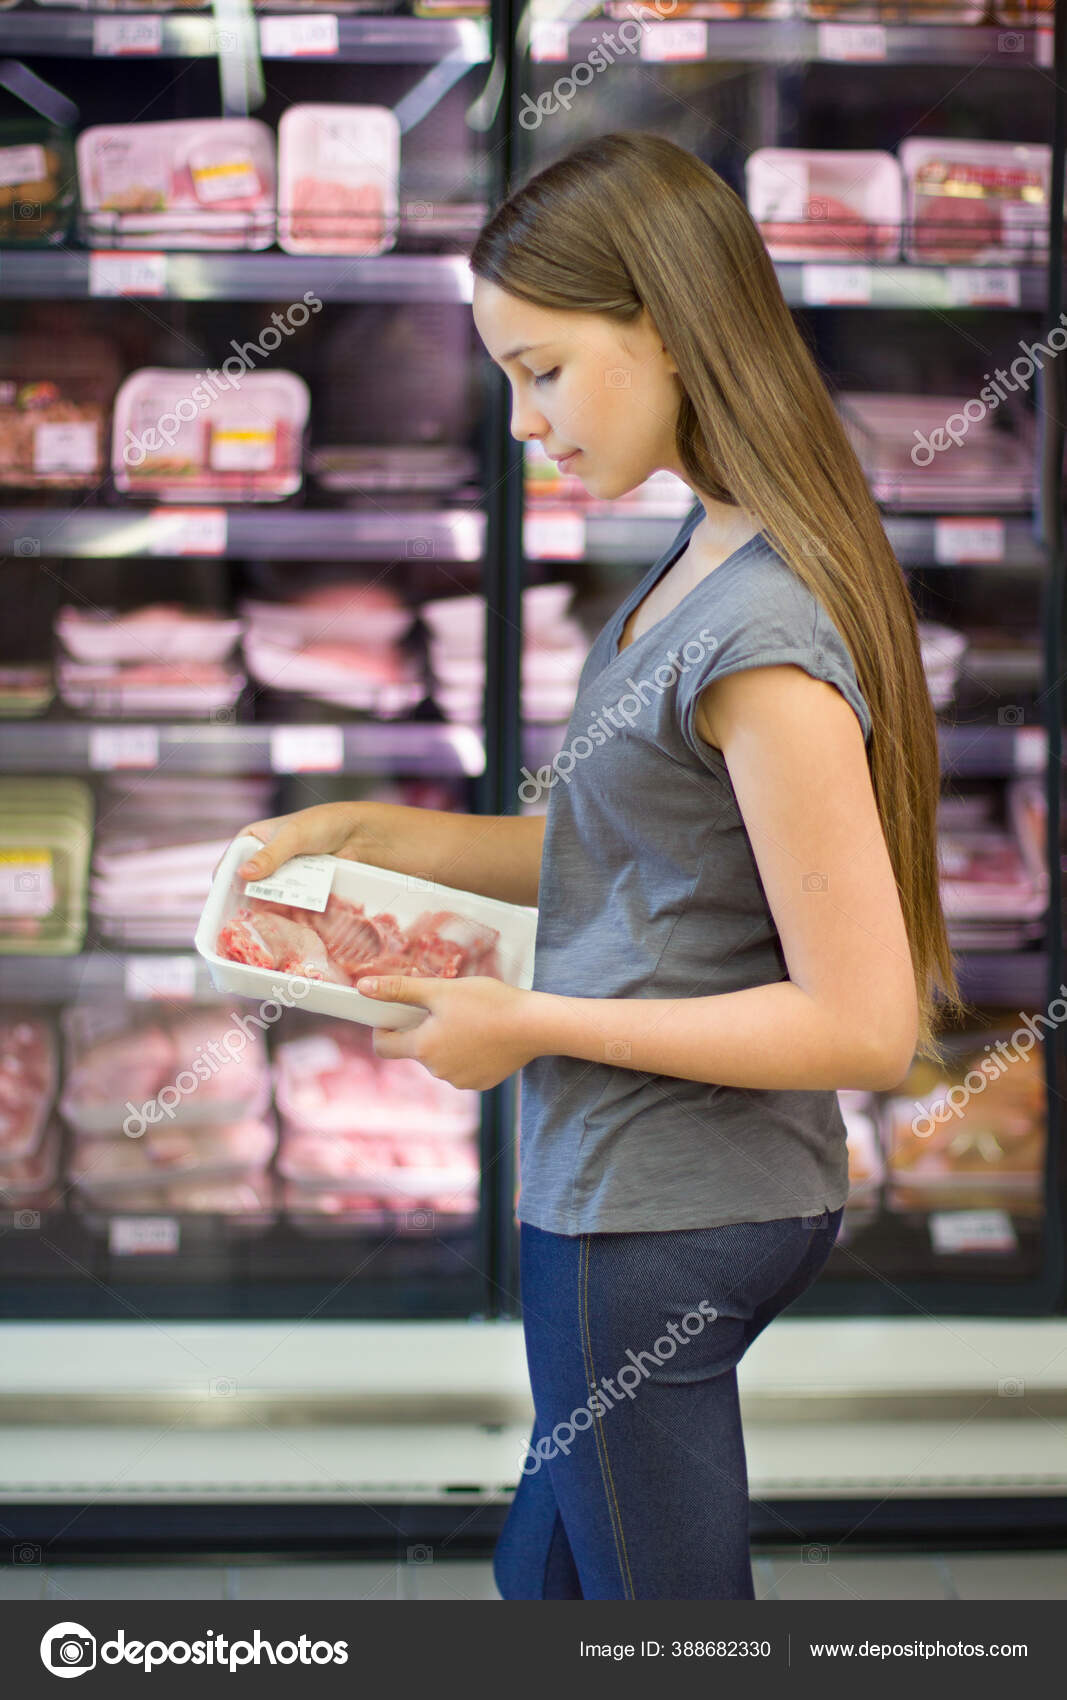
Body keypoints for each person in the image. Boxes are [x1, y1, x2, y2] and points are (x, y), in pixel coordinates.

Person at [231, 131, 965, 1600]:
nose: (523, 420)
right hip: (640, 1190)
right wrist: (372, 838)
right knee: (547, 1594)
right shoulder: (713, 555)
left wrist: (529, 1024)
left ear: (672, 326)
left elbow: (865, 1026)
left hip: (659, 1212)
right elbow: (633, 855)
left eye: (545, 368)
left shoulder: (758, 638)